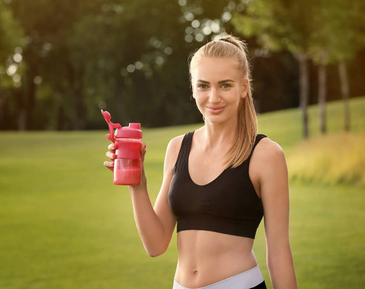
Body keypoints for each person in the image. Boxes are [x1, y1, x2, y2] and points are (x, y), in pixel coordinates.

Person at [104, 35, 297, 289]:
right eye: (203, 86)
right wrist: (137, 184)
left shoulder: (265, 155)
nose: (213, 98)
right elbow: (155, 244)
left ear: (243, 87)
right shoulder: (177, 148)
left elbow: (279, 254)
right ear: (193, 89)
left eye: (225, 85)